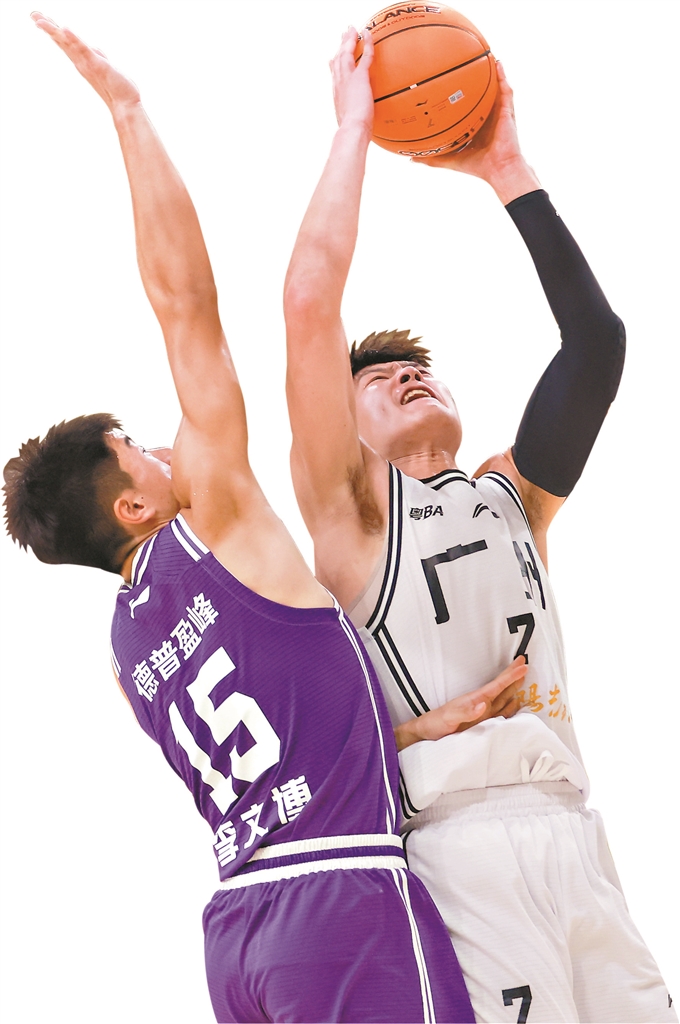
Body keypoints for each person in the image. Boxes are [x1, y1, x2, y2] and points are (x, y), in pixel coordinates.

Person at [4, 14, 538, 1024]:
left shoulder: (127, 651)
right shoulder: (215, 518)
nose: (169, 447)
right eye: (142, 449)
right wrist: (128, 110)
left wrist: (422, 727)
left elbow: (284, 747)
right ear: (133, 504)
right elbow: (184, 304)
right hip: (343, 900)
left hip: (241, 935)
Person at [283, 26, 677, 1024]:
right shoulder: (353, 511)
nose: (406, 376)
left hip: (577, 839)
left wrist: (505, 168)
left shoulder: (514, 494)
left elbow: (596, 344)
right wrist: (352, 127)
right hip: (460, 853)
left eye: (417, 367)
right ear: (345, 426)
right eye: (378, 380)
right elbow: (310, 303)